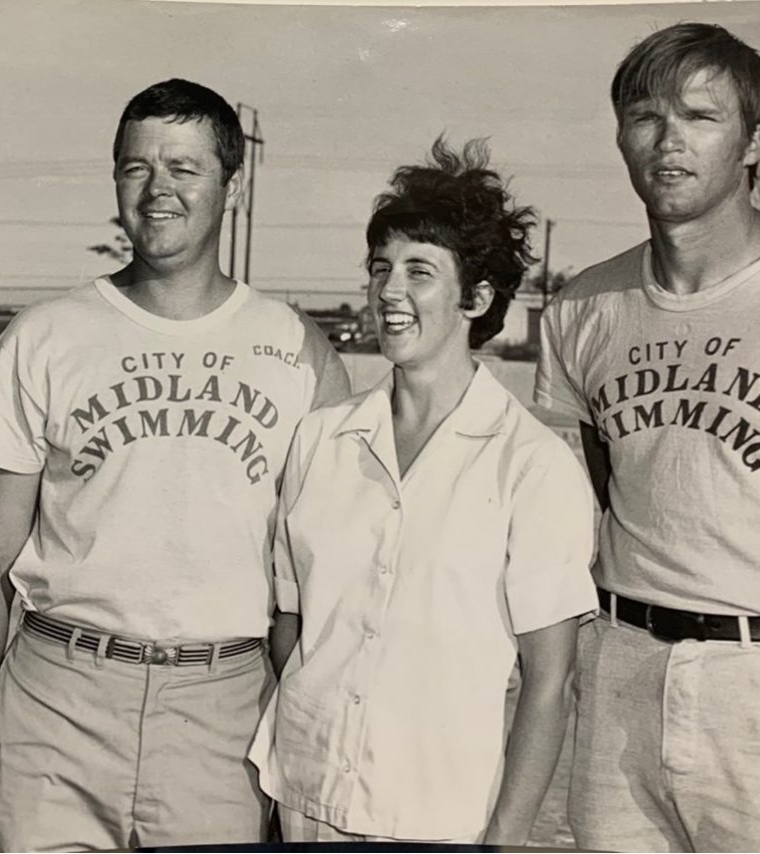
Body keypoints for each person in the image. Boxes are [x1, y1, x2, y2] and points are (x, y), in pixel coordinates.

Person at [0, 78, 350, 852]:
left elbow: (322, 579)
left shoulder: (299, 351)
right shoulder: (47, 335)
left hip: (222, 717)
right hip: (57, 701)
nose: (157, 191)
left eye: (184, 168)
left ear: (232, 186)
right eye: (135, 167)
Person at [536, 22, 760, 852]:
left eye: (700, 117)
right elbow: (592, 496)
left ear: (754, 141)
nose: (668, 142)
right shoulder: (585, 306)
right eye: (645, 117)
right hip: (623, 674)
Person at [249, 138, 597, 845]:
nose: (389, 292)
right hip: (305, 800)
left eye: (418, 271)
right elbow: (290, 626)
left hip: (442, 820)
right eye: (381, 269)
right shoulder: (320, 440)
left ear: (477, 296)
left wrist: (502, 838)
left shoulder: (532, 465)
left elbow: (549, 683)